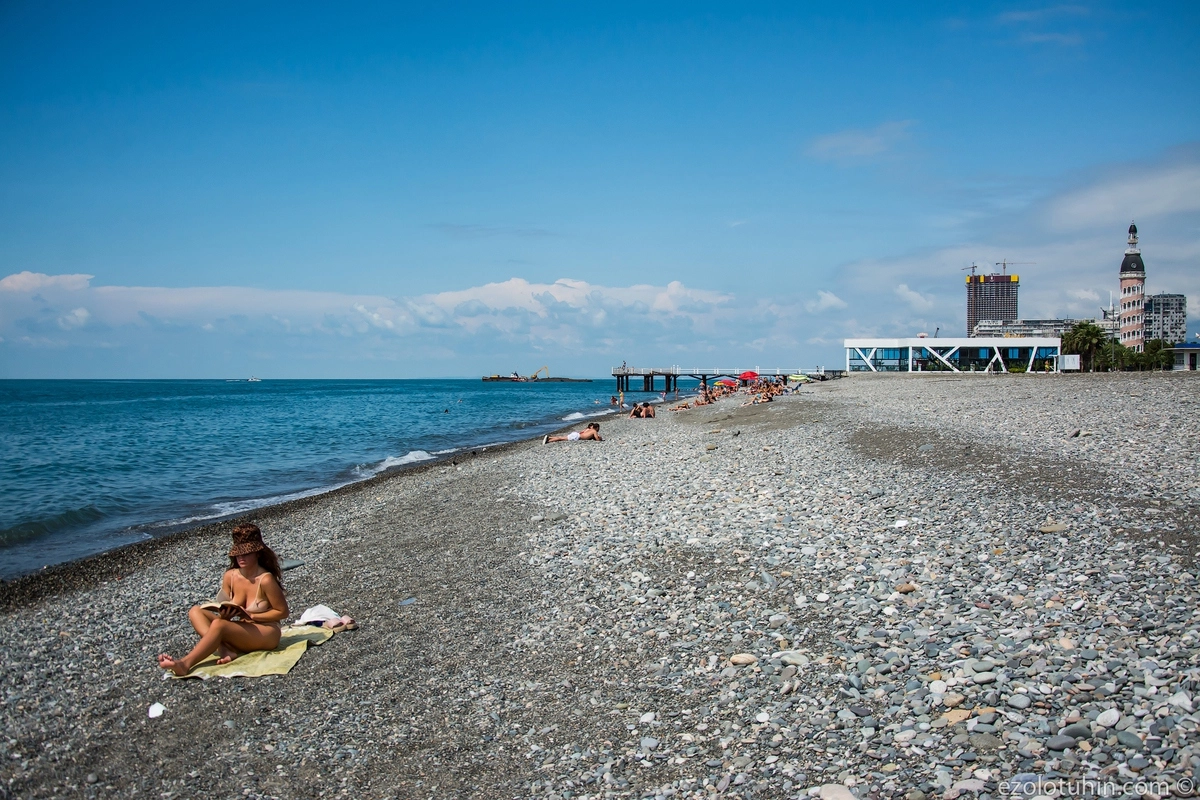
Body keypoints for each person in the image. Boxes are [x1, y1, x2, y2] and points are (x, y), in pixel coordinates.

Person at [157, 523, 289, 676]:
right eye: (238, 554)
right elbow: (222, 605)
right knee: (195, 611)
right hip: (241, 630)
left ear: (257, 553)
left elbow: (282, 612)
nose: (241, 557)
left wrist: (252, 616)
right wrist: (224, 615)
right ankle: (224, 649)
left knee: (219, 625)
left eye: (246, 553)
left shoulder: (265, 580)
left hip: (267, 632)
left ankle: (185, 663)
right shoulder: (230, 576)